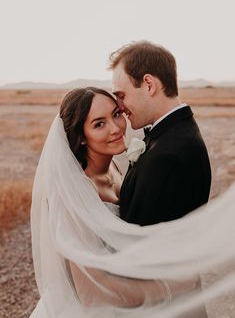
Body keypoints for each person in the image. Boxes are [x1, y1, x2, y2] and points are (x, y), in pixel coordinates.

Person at [30, 86, 215, 318]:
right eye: (99, 124)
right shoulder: (73, 194)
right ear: (81, 137)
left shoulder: (115, 169)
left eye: (116, 114)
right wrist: (168, 288)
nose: (116, 128)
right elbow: (91, 294)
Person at [109, 40, 212, 226]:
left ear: (149, 84)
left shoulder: (167, 155)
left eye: (122, 96)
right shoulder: (177, 132)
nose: (120, 107)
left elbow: (140, 242)